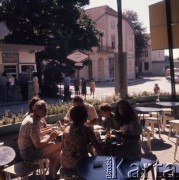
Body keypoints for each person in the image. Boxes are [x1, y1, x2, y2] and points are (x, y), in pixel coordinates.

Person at [18, 100, 61, 179]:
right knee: (59, 144)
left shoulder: (31, 117)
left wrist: (50, 130)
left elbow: (36, 134)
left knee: (57, 153)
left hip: (27, 150)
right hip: (29, 153)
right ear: (36, 110)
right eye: (42, 109)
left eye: (46, 108)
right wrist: (50, 136)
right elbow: (38, 145)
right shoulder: (34, 123)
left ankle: (53, 175)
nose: (45, 110)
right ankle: (55, 175)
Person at [60, 106, 103, 170]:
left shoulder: (66, 129)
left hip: (64, 163)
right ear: (84, 117)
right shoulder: (87, 130)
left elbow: (62, 146)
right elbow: (97, 148)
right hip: (80, 164)